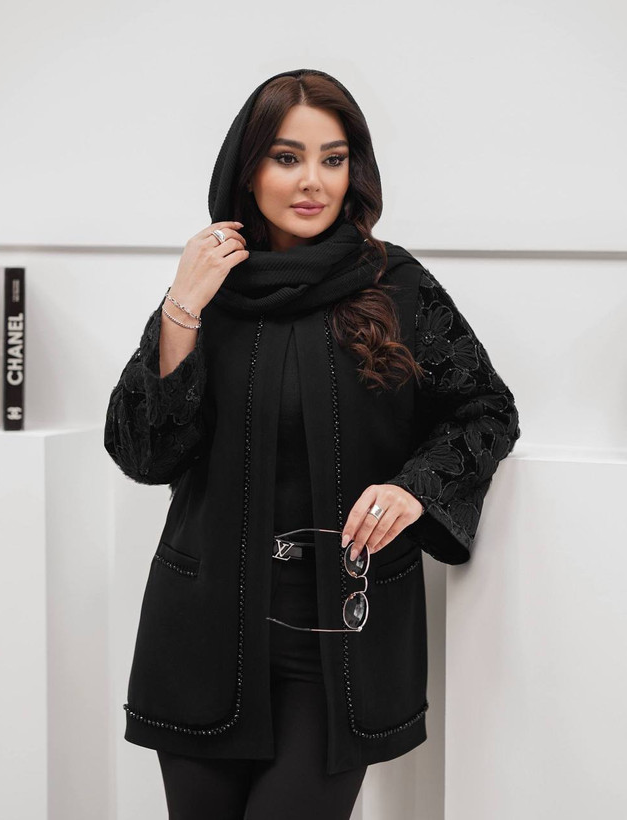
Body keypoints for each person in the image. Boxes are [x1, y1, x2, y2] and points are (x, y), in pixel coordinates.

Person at [104, 68, 521, 819]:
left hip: (340, 636)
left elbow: (485, 409)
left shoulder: (396, 285)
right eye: (286, 157)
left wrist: (414, 488)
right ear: (247, 168)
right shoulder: (207, 289)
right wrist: (181, 307)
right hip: (203, 632)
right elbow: (144, 453)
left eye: (333, 159)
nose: (312, 182)